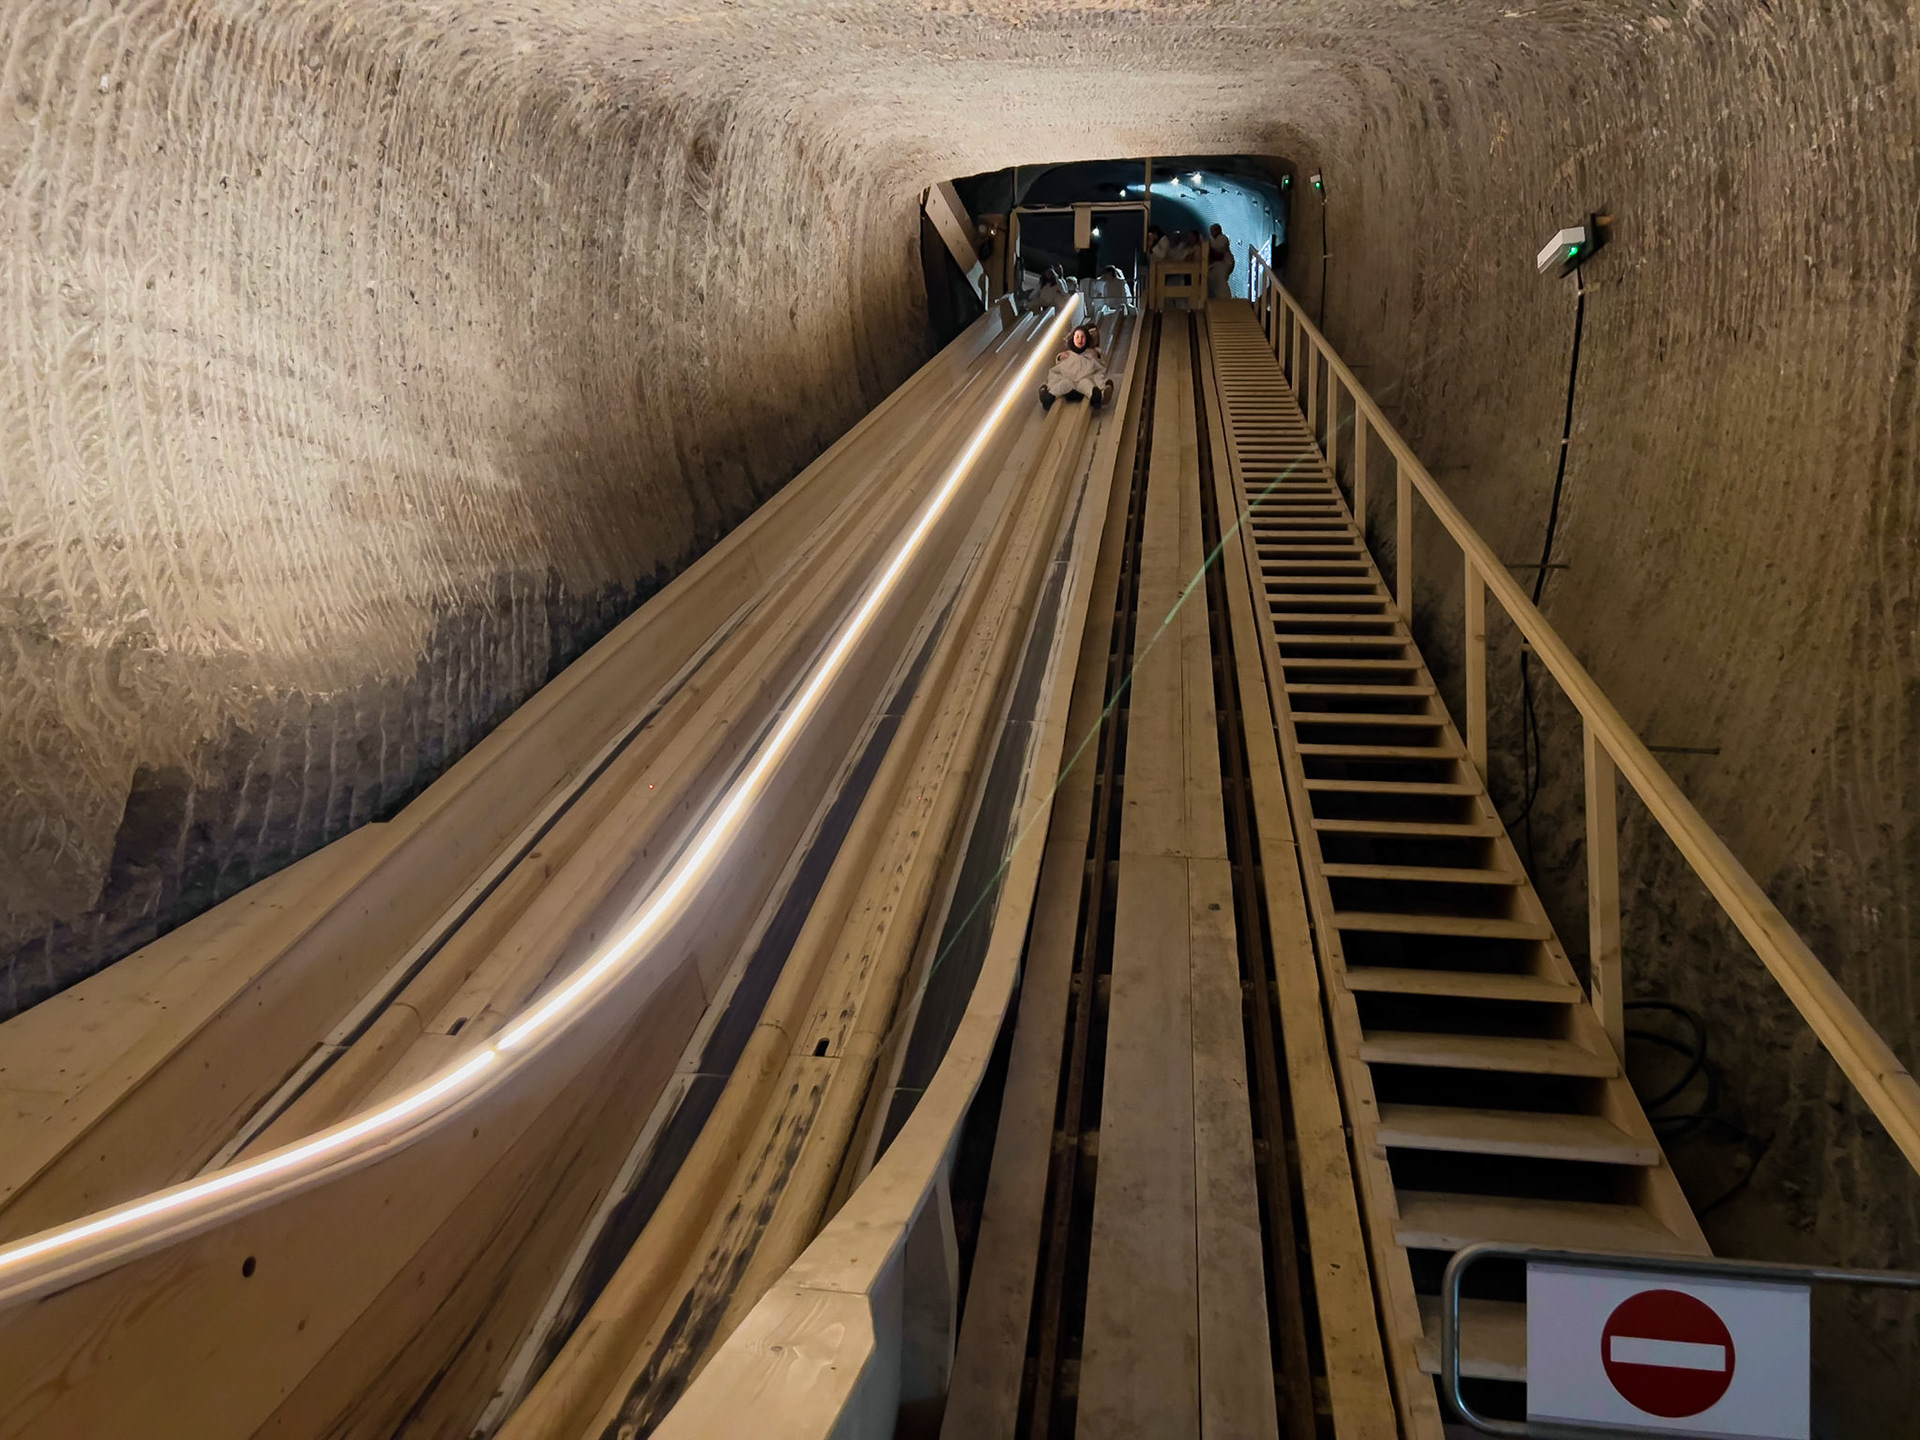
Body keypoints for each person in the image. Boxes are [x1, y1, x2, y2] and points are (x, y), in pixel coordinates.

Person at [1038, 321, 1114, 412]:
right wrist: (1059, 358)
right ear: (1072, 338)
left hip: (1082, 385)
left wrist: (1097, 356)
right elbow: (1056, 370)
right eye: (1077, 337)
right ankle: (1048, 396)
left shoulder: (1091, 354)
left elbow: (1100, 368)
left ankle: (1099, 396)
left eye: (1083, 337)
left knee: (1087, 384)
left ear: (1087, 339)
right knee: (1063, 384)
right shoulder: (1067, 354)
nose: (1080, 340)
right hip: (1070, 385)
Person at [1207, 223, 1233, 298]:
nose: (1212, 233)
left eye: (1213, 231)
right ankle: (1221, 298)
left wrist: (1209, 246)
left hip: (1223, 263)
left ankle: (1225, 299)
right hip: (1217, 265)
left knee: (1220, 282)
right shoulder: (1214, 240)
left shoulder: (1222, 238)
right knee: (1217, 284)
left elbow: (1218, 250)